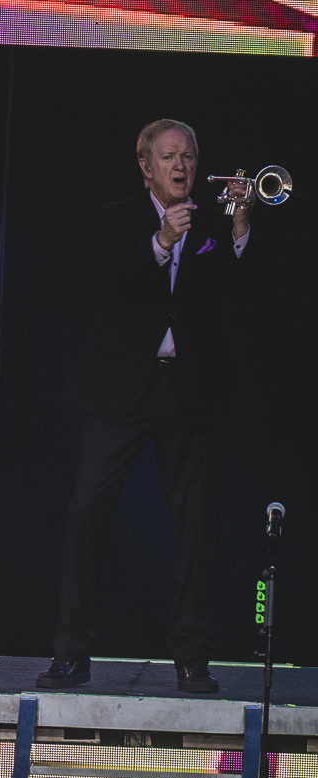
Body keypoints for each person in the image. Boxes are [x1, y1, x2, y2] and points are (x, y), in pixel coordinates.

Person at [39, 119, 251, 695]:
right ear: (146, 166)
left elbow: (234, 288)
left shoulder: (208, 221)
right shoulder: (116, 218)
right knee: (88, 511)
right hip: (118, 388)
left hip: (190, 391)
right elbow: (108, 284)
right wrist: (160, 242)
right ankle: (71, 654)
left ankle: (192, 659)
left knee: (198, 523)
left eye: (189, 155)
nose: (182, 165)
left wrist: (237, 226)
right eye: (169, 156)